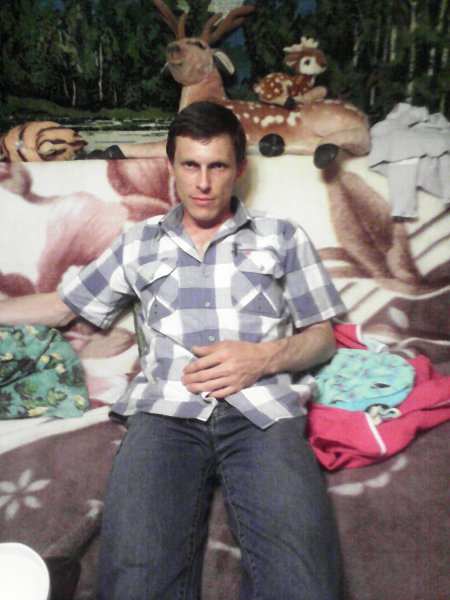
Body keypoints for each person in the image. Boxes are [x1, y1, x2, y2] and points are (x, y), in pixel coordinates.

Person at [0, 101, 346, 599]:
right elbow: (61, 305)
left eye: (217, 166)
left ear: (239, 169)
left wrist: (264, 358)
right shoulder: (138, 242)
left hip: (262, 411)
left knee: (302, 581)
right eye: (190, 165)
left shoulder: (282, 236)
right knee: (135, 581)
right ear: (171, 168)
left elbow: (323, 336)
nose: (203, 183)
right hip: (165, 413)